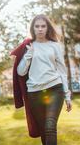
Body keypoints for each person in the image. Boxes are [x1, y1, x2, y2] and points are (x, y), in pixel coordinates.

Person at [16, 14, 72, 145]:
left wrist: (67, 96)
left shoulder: (55, 46)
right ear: (33, 29)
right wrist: (28, 56)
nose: (40, 29)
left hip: (54, 89)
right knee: (43, 130)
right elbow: (20, 72)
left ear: (47, 28)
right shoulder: (28, 46)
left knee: (50, 126)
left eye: (43, 26)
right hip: (35, 92)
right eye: (37, 26)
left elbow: (62, 72)